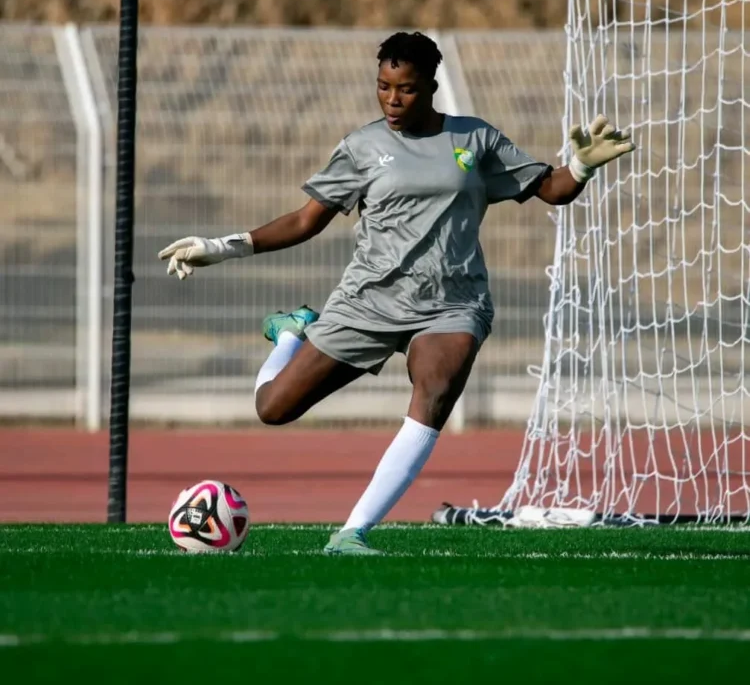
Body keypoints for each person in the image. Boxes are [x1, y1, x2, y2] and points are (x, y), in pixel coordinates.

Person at [158, 31, 635, 555]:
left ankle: (352, 533)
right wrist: (221, 246)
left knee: (432, 393)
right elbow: (304, 220)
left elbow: (554, 189)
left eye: (404, 88)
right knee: (273, 408)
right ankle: (291, 333)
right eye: (383, 86)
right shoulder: (362, 147)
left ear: (431, 86)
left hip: (453, 304)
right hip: (368, 301)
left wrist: (584, 166)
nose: (391, 99)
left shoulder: (475, 140)